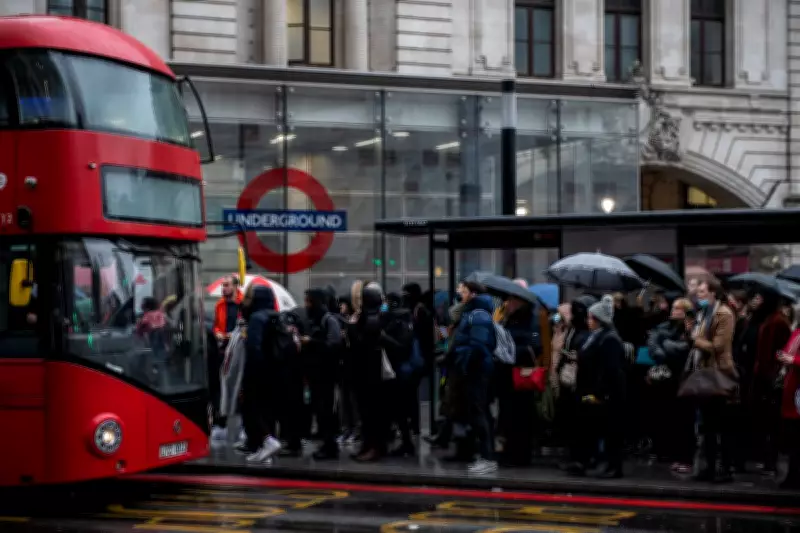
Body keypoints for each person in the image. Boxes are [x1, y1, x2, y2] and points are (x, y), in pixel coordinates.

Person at [568, 295, 627, 479]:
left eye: (591, 318)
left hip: (605, 393)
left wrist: (602, 393)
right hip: (590, 391)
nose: (588, 321)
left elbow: (610, 370)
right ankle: (586, 462)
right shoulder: (595, 337)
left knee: (611, 431)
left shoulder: (609, 339)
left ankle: (613, 466)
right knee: (589, 427)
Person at [687, 279, 736, 483]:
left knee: (719, 425)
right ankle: (707, 468)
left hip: (718, 374)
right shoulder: (703, 313)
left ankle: (723, 469)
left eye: (703, 291)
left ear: (713, 293)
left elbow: (718, 346)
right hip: (703, 374)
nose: (699, 295)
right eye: (698, 292)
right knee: (706, 425)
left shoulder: (723, 314)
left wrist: (694, 339)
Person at [451, 281, 497, 475]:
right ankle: (484, 456)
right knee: (477, 412)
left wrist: (465, 364)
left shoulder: (478, 316)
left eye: (464, 292)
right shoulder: (473, 313)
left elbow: (478, 346)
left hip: (476, 371)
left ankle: (487, 458)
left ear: (473, 294)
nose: (460, 294)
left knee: (480, 413)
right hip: (474, 370)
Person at [302, 288, 343, 460]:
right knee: (320, 411)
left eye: (309, 301)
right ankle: (326, 444)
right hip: (315, 374)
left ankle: (330, 447)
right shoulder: (315, 320)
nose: (306, 305)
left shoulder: (328, 320)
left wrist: (311, 342)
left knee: (326, 411)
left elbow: (333, 345)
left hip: (326, 374)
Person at [499, 295, 536, 466]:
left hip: (521, 375)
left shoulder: (529, 319)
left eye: (511, 300)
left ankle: (519, 455)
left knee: (520, 417)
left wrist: (510, 348)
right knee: (509, 416)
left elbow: (533, 345)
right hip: (508, 376)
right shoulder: (508, 318)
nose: (508, 303)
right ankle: (510, 451)